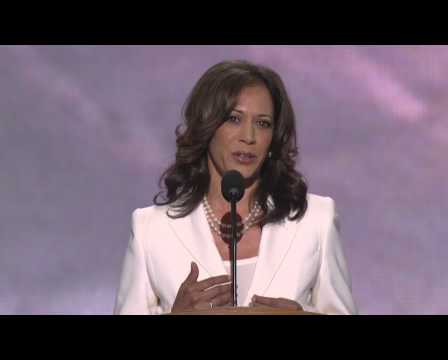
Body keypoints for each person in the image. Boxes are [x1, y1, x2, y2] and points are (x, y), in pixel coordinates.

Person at [114, 60, 357, 315]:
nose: (249, 137)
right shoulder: (151, 229)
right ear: (206, 127)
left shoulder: (315, 220)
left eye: (262, 123)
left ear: (273, 138)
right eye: (233, 119)